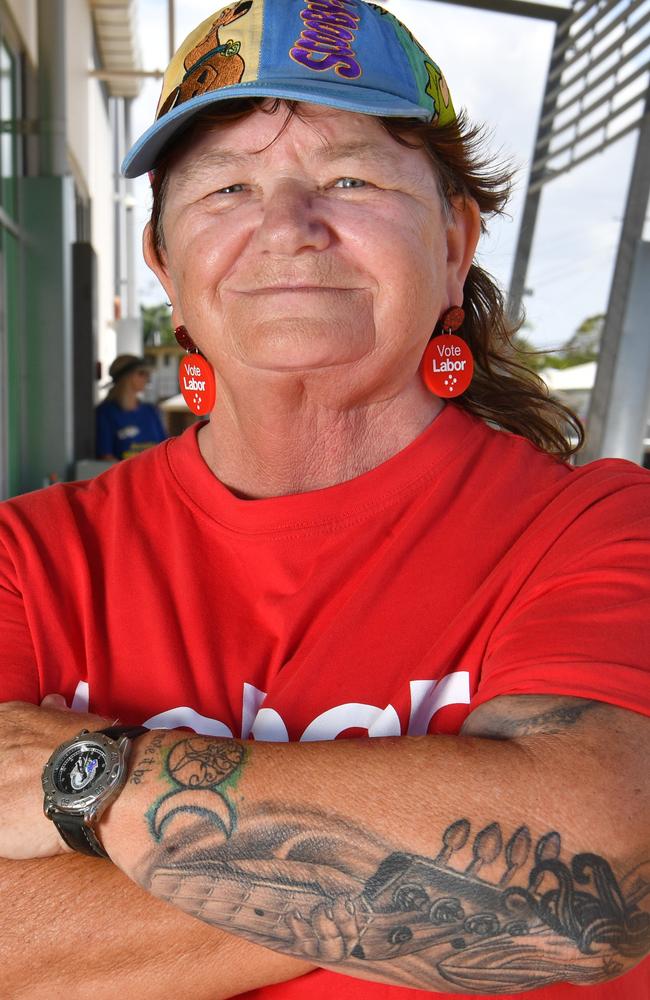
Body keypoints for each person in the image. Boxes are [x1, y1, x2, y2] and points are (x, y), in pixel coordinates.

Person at [0, 2, 648, 998]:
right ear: (167, 265)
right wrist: (463, 870)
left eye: (348, 177)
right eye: (226, 187)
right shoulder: (30, 558)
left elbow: (596, 878)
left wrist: (90, 778)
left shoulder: (599, 526)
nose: (288, 228)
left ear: (451, 239)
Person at [95, 353, 167, 460]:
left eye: (148, 374)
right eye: (141, 373)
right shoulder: (105, 413)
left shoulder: (151, 411)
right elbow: (106, 457)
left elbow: (165, 448)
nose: (147, 379)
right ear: (126, 376)